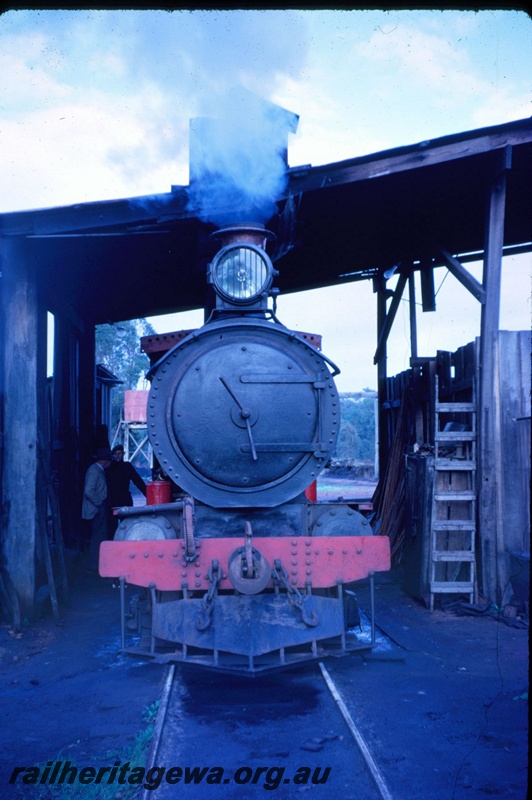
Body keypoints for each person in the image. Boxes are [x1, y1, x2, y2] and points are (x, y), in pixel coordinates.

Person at [81, 447, 113, 569]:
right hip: (96, 509)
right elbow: (89, 491)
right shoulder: (95, 471)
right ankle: (94, 564)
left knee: (99, 536)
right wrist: (99, 503)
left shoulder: (97, 470)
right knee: (97, 537)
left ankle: (96, 563)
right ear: (105, 461)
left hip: (97, 508)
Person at [106, 445, 147, 531]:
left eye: (119, 453)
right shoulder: (109, 467)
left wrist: (147, 494)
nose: (118, 456)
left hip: (122, 500)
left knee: (127, 525)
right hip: (114, 501)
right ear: (112, 455)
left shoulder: (126, 466)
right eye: (116, 454)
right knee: (113, 526)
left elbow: (138, 481)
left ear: (123, 454)